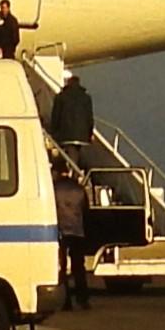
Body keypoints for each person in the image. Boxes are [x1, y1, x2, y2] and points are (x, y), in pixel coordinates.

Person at [52, 159, 91, 310]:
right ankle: (83, 299)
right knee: (78, 267)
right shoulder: (78, 189)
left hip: (60, 232)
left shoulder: (53, 189)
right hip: (77, 231)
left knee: (61, 267)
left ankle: (66, 301)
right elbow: (85, 210)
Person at [49, 70, 94, 154]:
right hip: (82, 135)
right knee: (77, 154)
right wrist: (90, 133)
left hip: (65, 134)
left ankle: (71, 166)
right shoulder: (86, 98)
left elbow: (56, 116)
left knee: (70, 154)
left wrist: (53, 133)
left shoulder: (60, 97)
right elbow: (89, 118)